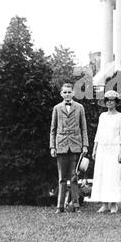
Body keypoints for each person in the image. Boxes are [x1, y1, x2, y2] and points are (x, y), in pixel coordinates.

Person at [50, 83, 89, 214]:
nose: (67, 95)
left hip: (75, 145)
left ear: (73, 93)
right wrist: (52, 147)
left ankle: (76, 205)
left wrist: (85, 145)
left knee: (74, 177)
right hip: (61, 145)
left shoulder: (79, 107)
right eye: (64, 92)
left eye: (69, 92)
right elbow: (53, 129)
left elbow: (83, 127)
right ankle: (59, 206)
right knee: (62, 178)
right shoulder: (56, 108)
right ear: (61, 94)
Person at [91, 90, 121, 214]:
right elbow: (98, 133)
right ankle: (104, 204)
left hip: (114, 149)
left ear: (116, 102)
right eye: (107, 100)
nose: (110, 102)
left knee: (113, 176)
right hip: (102, 149)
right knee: (102, 175)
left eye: (112, 100)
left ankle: (113, 204)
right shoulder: (102, 116)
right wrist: (94, 149)